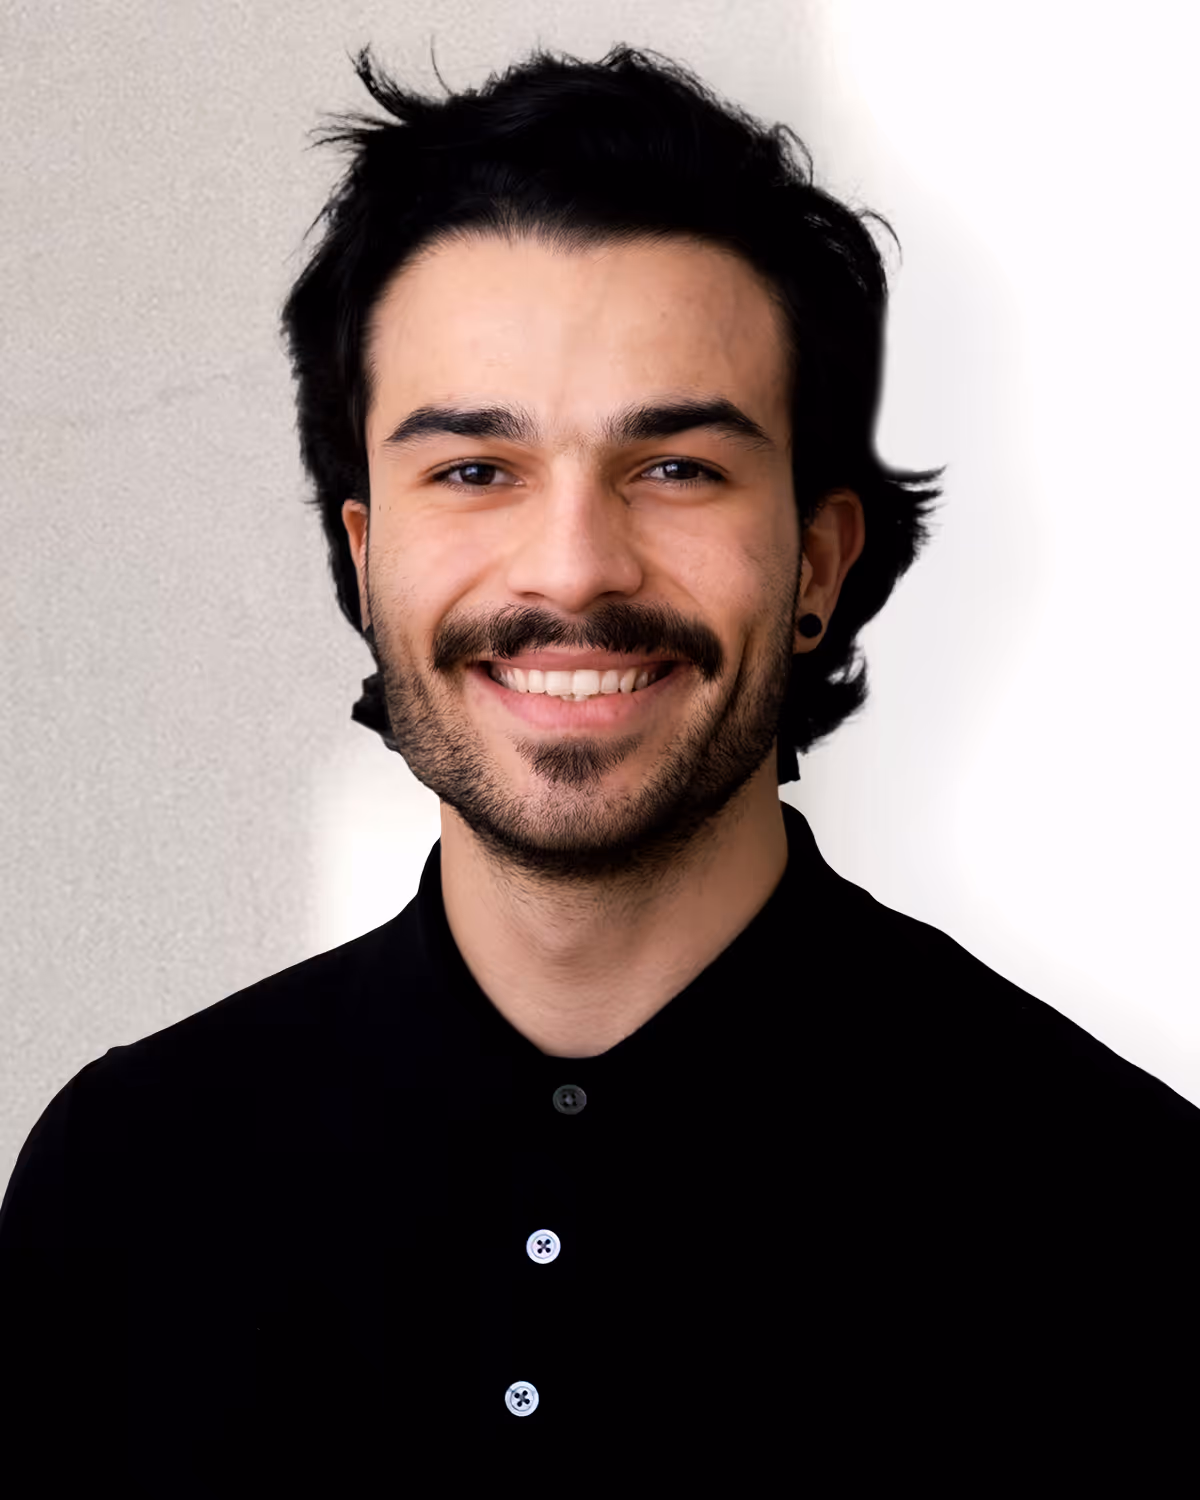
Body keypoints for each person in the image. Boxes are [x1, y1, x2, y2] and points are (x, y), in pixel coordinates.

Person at [2, 42, 1196, 1492]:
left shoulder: (1129, 1213)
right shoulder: (126, 1185)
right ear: (366, 557)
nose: (572, 567)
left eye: (678, 466)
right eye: (475, 469)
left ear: (819, 561)